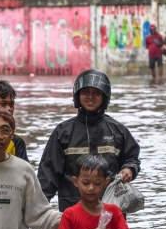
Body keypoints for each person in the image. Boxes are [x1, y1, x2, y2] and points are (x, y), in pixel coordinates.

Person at [38, 69, 141, 213]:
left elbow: (132, 158)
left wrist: (129, 169)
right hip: (72, 210)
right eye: (85, 92)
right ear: (77, 95)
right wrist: (40, 211)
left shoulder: (118, 131)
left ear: (104, 97)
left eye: (96, 93)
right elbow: (48, 174)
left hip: (110, 209)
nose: (90, 97)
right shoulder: (63, 132)